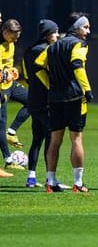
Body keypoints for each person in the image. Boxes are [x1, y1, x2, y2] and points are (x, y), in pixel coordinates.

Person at [35, 12, 93, 193]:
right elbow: (77, 65)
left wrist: (50, 84)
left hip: (55, 98)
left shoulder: (52, 46)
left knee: (55, 140)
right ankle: (78, 182)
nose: (88, 31)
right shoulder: (79, 44)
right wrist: (87, 89)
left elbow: (38, 66)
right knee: (76, 139)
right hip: (74, 97)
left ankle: (50, 182)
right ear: (76, 28)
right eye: (86, 27)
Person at [21, 19, 60, 188]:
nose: (57, 35)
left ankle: (31, 178)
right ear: (47, 34)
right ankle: (49, 179)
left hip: (33, 101)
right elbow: (50, 76)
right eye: (55, 32)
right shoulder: (47, 51)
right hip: (46, 101)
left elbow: (27, 77)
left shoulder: (28, 50)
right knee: (51, 140)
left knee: (37, 139)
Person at [0, 19, 31, 170]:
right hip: (0, 89)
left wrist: (11, 70)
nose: (16, 39)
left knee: (34, 101)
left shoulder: (10, 43)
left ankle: (11, 132)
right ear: (5, 32)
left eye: (18, 36)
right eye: (14, 36)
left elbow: (7, 65)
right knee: (0, 124)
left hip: (10, 84)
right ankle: (8, 159)